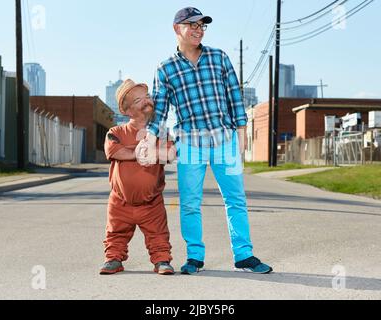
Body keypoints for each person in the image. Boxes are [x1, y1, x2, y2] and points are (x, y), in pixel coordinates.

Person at [137, 7, 273, 275]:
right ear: (178, 29)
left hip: (225, 141)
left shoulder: (219, 58)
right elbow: (161, 109)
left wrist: (242, 134)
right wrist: (149, 138)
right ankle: (195, 257)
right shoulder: (165, 68)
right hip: (190, 145)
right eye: (193, 25)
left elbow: (235, 96)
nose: (199, 30)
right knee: (189, 203)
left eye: (202, 26)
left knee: (236, 199)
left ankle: (244, 255)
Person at [100, 79, 176, 276]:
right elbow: (115, 151)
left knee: (158, 234)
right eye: (138, 100)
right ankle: (113, 259)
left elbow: (169, 154)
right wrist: (143, 151)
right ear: (126, 110)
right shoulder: (116, 132)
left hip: (151, 202)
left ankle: (162, 260)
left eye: (148, 97)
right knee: (116, 232)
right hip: (120, 201)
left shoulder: (161, 133)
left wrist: (152, 150)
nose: (146, 101)